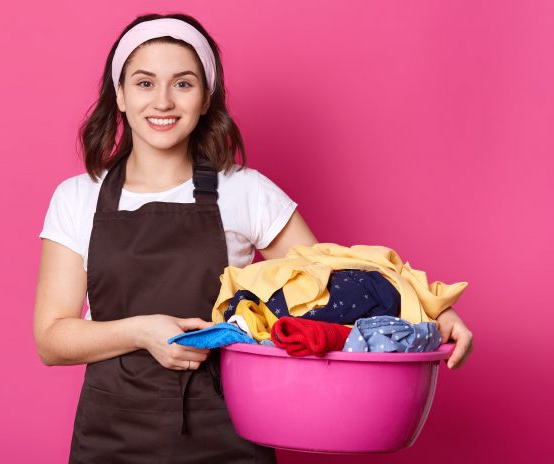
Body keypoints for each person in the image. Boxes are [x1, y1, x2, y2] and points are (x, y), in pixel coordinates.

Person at [33, 13, 474, 464]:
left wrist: (434, 311)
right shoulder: (78, 197)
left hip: (228, 433)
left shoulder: (246, 191)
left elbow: (335, 287)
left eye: (183, 84)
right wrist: (141, 332)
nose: (162, 101)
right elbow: (52, 338)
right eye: (145, 83)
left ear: (206, 98)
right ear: (120, 95)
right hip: (112, 436)